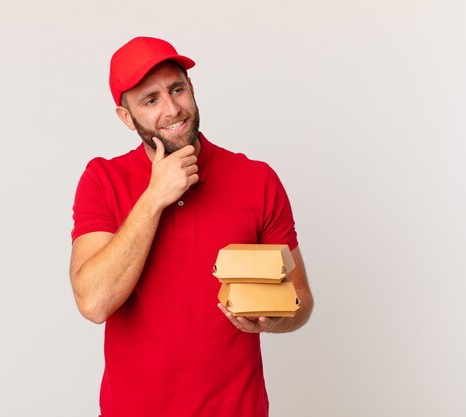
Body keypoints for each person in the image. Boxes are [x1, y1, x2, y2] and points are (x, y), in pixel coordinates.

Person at [69, 36, 313, 417]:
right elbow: (94, 302)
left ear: (192, 89)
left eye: (177, 89)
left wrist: (277, 318)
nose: (172, 109)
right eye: (150, 100)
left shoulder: (257, 179)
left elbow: (301, 299)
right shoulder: (102, 180)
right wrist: (154, 197)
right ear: (126, 116)